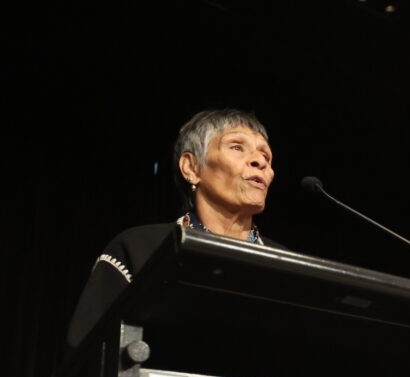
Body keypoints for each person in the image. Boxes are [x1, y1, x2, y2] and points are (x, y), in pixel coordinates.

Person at [66, 108, 281, 349]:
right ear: (191, 168)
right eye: (237, 147)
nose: (260, 161)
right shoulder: (139, 249)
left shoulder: (285, 265)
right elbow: (88, 353)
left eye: (266, 155)